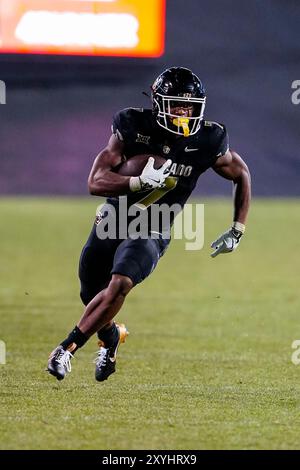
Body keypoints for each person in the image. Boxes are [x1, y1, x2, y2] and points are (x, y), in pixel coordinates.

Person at [47, 66, 251, 382]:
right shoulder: (132, 126)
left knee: (120, 283)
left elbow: (241, 174)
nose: (184, 113)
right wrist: (136, 182)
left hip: (155, 225)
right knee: (91, 294)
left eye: (190, 107)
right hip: (114, 219)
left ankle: (66, 349)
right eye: (177, 106)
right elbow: (95, 182)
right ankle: (112, 337)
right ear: (158, 104)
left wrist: (238, 228)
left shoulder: (210, 139)